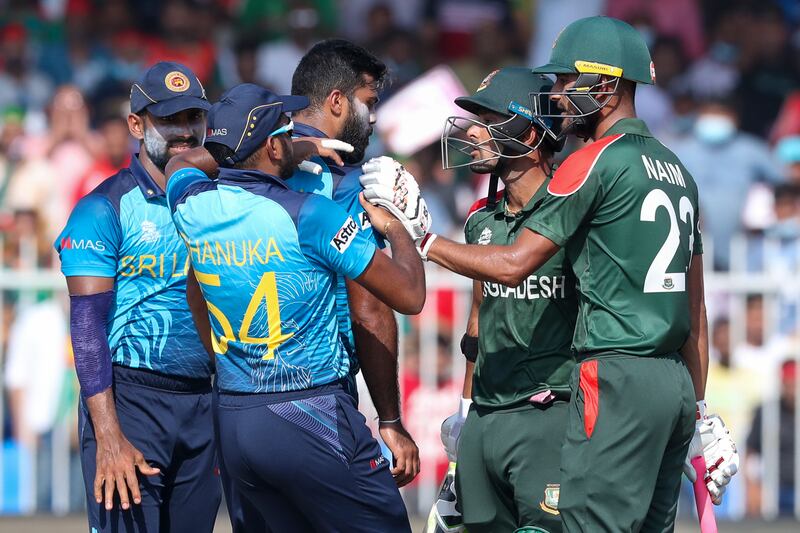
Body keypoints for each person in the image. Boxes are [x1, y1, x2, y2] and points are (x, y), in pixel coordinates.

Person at [363, 16, 739, 532]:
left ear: (604, 85)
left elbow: (516, 263)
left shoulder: (591, 162)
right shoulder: (678, 171)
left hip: (613, 376)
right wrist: (699, 411)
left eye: (566, 82)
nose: (557, 96)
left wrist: (422, 240)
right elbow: (693, 311)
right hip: (670, 381)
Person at [164, 83, 426, 532]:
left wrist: (295, 144)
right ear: (271, 146)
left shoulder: (189, 203)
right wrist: (401, 228)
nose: (294, 139)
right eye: (288, 132)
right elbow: (409, 295)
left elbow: (182, 161)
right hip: (311, 413)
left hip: (236, 417)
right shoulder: (310, 214)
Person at [54, 62, 220, 532]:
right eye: (169, 119)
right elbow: (86, 330)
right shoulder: (103, 206)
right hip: (128, 404)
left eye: (193, 118)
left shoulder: (222, 201)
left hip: (202, 403)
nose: (185, 132)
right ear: (135, 125)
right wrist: (108, 436)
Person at [430, 66, 576, 533]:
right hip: (488, 416)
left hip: (549, 411)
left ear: (532, 133)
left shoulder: (575, 209)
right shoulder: (479, 218)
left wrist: (421, 241)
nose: (472, 131)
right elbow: (478, 318)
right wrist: (465, 410)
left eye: (489, 117)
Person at [288, 38, 420, 485]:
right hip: (319, 400)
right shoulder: (344, 188)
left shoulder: (249, 171)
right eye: (370, 102)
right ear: (337, 101)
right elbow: (373, 305)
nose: (376, 115)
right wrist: (389, 419)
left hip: (238, 401)